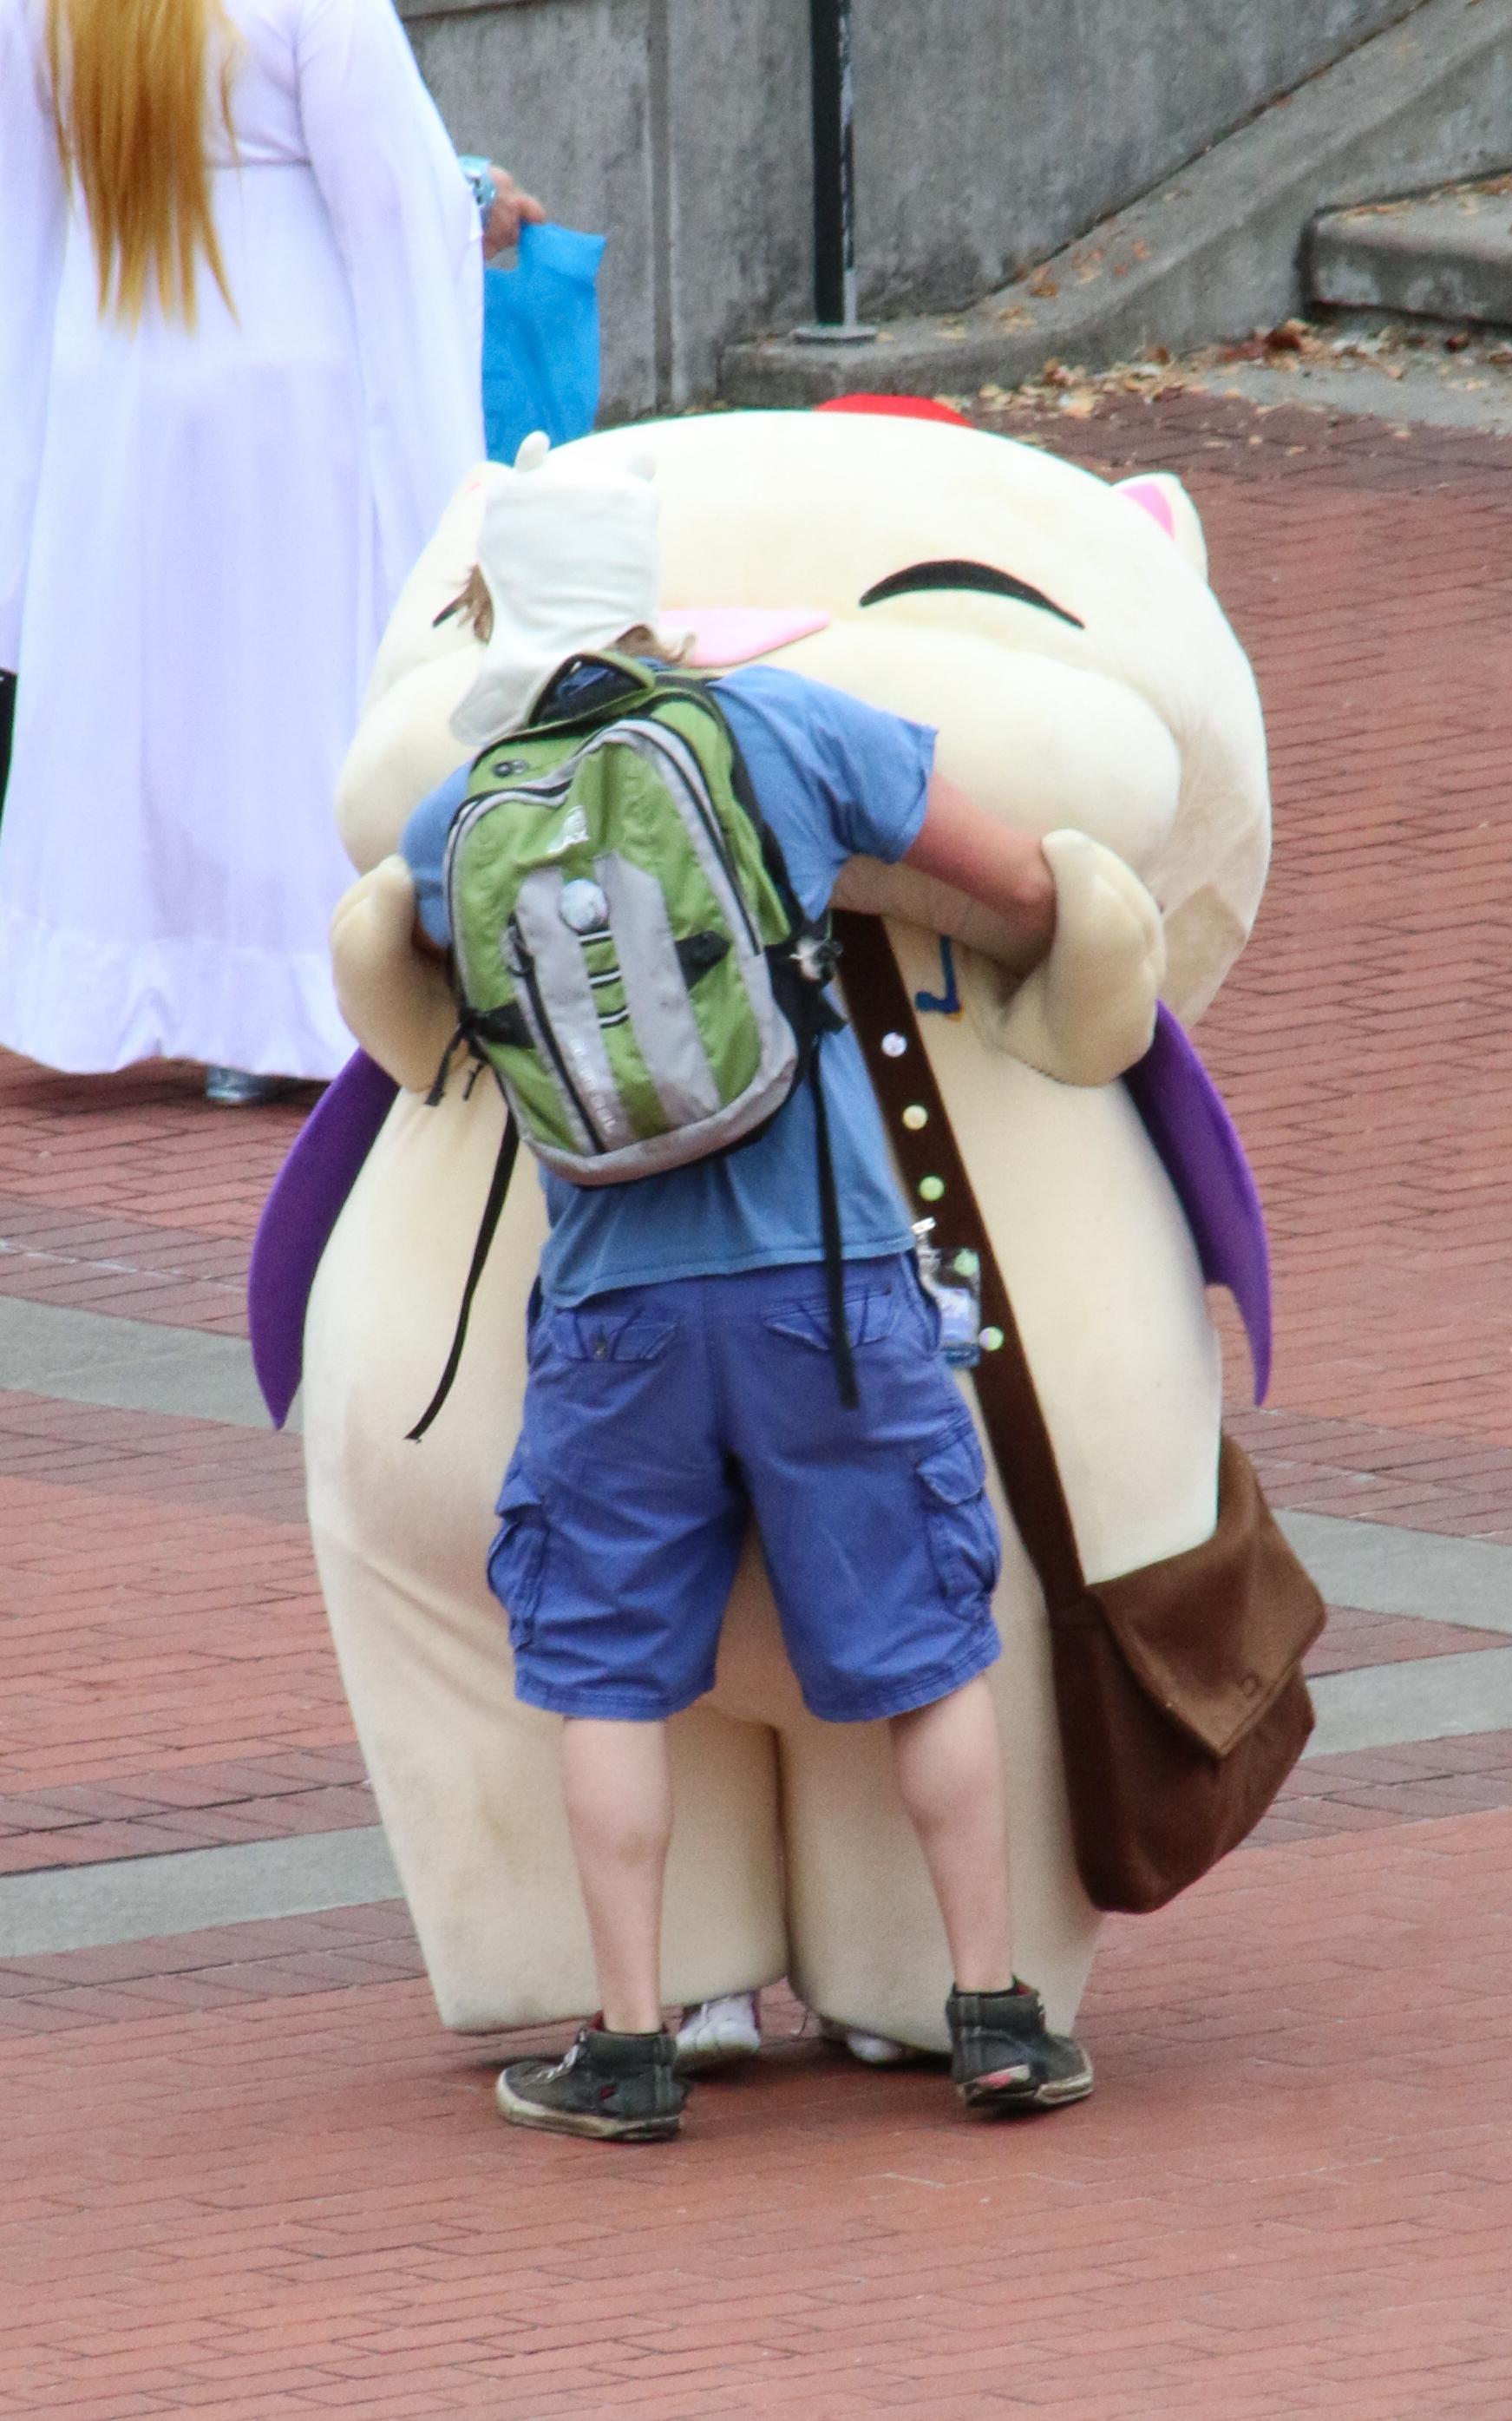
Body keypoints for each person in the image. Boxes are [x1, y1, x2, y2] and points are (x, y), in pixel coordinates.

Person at [392, 454, 1097, 2142]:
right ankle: (992, 2016)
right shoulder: (779, 731)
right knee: (929, 1646)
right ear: (642, 597)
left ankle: (635, 2046)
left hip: (613, 1312)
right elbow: (1022, 882)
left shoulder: (459, 813)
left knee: (608, 1674)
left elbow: (427, 993)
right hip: (825, 1282)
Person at [0, 0, 533, 1103]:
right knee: (280, 691)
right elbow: (393, 201)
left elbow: (19, 223)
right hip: (282, 380)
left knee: (143, 694)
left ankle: (119, 980)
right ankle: (285, 1000)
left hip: (111, 376)